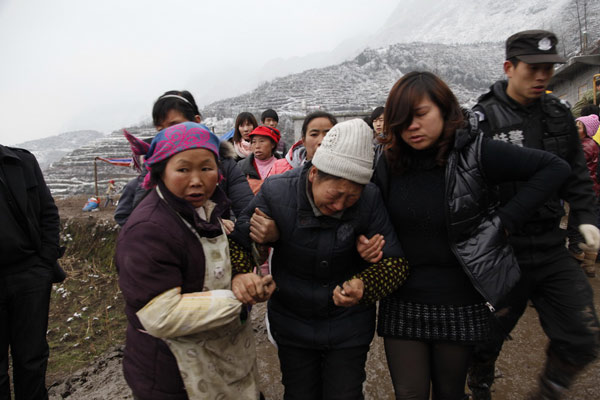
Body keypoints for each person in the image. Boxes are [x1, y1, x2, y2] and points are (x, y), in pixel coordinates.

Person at [355, 71, 570, 400]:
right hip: (403, 297)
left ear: (444, 109)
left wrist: (506, 220)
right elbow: (372, 215)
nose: (411, 126)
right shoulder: (388, 162)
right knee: (409, 393)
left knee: (450, 392)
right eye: (402, 119)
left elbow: (554, 168)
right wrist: (367, 242)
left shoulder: (475, 152)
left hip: (459, 297)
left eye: (421, 114)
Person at [233, 119, 409, 400]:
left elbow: (395, 263)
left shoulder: (370, 199)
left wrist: (365, 285)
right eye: (336, 195)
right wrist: (243, 273)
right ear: (314, 173)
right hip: (292, 322)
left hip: (348, 326)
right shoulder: (277, 192)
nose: (340, 205)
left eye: (351, 198)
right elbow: (239, 241)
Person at [467, 30, 600, 400]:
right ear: (510, 67)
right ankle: (480, 382)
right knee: (483, 337)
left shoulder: (558, 115)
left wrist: (587, 217)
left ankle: (548, 393)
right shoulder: (483, 120)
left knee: (582, 335)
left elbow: (576, 173)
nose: (543, 76)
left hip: (548, 244)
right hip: (502, 250)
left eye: (548, 68)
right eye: (534, 68)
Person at [116, 122, 274, 399]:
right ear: (160, 171)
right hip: (174, 375)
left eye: (206, 167)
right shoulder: (148, 229)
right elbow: (159, 314)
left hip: (221, 361)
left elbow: (214, 263)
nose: (197, 179)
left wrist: (240, 277)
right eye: (183, 169)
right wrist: (237, 299)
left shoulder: (205, 209)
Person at [114, 90, 253, 227]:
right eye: (161, 130)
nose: (168, 135)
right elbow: (134, 219)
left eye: (174, 125)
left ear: (196, 122)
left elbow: (247, 212)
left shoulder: (225, 163)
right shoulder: (153, 169)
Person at [0, 144, 64, 399]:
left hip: (30, 275)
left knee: (32, 359)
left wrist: (45, 261)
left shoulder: (21, 162)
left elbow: (48, 212)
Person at [568, 114, 600, 277]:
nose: (575, 128)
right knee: (587, 225)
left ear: (587, 131)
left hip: (582, 192)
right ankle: (589, 266)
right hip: (590, 192)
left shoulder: (586, 146)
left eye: (579, 126)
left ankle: (576, 258)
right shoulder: (592, 144)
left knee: (575, 226)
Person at [271, 111, 337, 175]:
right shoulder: (279, 169)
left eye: (328, 134)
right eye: (314, 134)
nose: (321, 141)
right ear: (303, 140)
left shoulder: (345, 171)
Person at [238, 125, 281, 194]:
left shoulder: (283, 167)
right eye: (254, 142)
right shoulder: (241, 166)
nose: (257, 146)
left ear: (272, 144)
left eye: (262, 141)